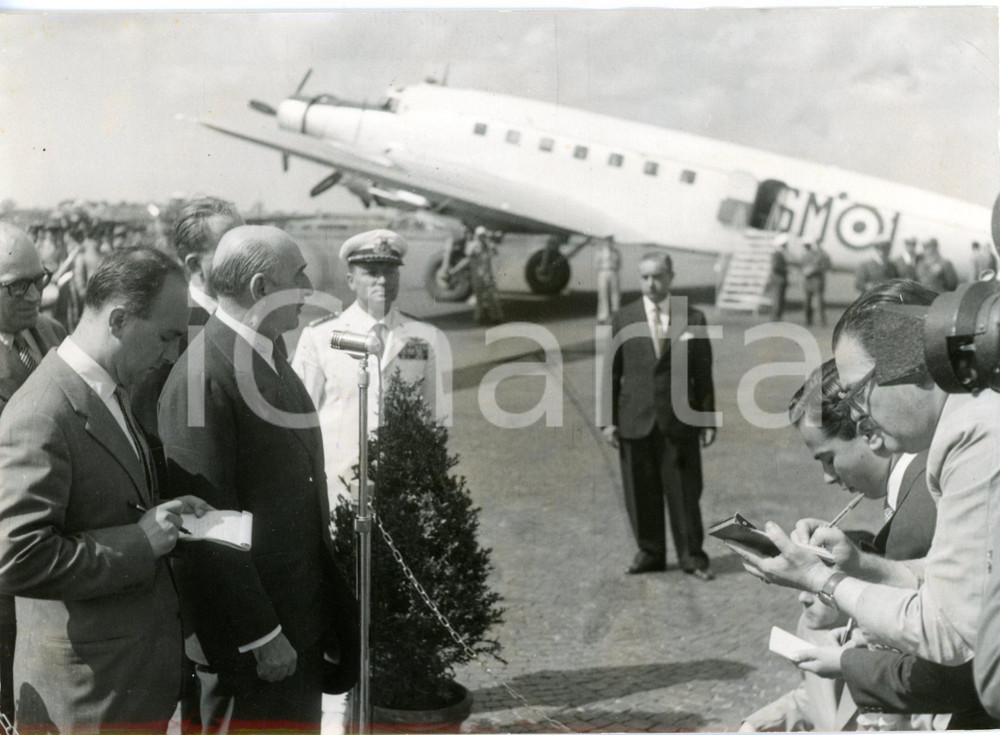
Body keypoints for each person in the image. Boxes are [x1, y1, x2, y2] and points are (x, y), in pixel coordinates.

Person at [730, 279, 1000, 668]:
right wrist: (860, 565)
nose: (858, 415)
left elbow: (948, 630)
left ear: (908, 368)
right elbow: (962, 583)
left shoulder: (970, 432)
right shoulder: (968, 419)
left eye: (856, 392)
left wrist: (821, 581)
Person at [158, 225, 359, 733]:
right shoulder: (204, 375)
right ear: (261, 289)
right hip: (252, 650)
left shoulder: (268, 353)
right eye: (299, 278)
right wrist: (261, 634)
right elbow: (207, 525)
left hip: (294, 631)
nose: (309, 290)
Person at [0, 246, 210, 732]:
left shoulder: (106, 390)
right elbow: (15, 557)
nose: (171, 353)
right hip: (87, 703)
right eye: (165, 336)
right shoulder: (40, 413)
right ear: (118, 320)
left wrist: (163, 514)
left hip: (123, 687)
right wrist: (139, 543)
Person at [293, 229, 440, 503]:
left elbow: (431, 419)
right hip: (336, 482)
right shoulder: (321, 336)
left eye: (390, 271)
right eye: (372, 272)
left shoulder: (423, 336)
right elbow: (300, 420)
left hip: (400, 485)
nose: (382, 280)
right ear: (351, 280)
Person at [601, 251, 717, 579]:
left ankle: (692, 556)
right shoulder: (623, 318)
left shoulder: (692, 318)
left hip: (678, 420)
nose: (652, 283)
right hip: (634, 419)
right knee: (640, 491)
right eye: (645, 277)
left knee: (684, 491)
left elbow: (703, 371)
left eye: (658, 276)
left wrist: (707, 418)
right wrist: (608, 419)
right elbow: (612, 371)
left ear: (671, 277)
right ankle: (650, 552)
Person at [0, 224, 67, 724]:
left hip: (50, 531)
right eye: (15, 286)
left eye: (38, 280)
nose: (32, 295)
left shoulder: (50, 333)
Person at [129, 196, 243, 437]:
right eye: (233, 251)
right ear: (194, 265)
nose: (249, 258)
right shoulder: (176, 333)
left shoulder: (258, 322)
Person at [739, 592, 853, 732]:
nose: (803, 597)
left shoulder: (884, 643)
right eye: (801, 586)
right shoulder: (814, 627)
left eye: (819, 588)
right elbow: (817, 700)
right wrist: (756, 724)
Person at [466, 226, 504, 325]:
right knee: (479, 298)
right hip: (478, 276)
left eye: (483, 236)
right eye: (480, 236)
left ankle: (496, 317)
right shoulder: (473, 245)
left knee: (492, 297)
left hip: (487, 275)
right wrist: (476, 245)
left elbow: (495, 252)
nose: (482, 238)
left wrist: (489, 244)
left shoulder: (487, 246)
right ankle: (479, 318)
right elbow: (468, 253)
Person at [800, 242, 830, 327]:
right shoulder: (819, 255)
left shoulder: (812, 256)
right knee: (811, 301)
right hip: (813, 280)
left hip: (813, 280)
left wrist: (811, 269)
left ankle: (815, 320)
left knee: (815, 301)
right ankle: (814, 320)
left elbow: (823, 266)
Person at [595, 240, 622, 324]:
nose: (608, 243)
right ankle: (603, 315)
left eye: (610, 241)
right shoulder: (599, 252)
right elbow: (596, 263)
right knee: (603, 293)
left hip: (613, 271)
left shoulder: (616, 252)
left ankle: (616, 314)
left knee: (615, 293)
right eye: (607, 240)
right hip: (603, 272)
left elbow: (619, 263)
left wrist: (614, 269)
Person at [767, 240, 788, 321]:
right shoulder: (777, 254)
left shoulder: (779, 254)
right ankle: (775, 316)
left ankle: (777, 316)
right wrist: (785, 269)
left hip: (780, 279)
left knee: (779, 298)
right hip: (778, 279)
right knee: (778, 298)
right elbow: (776, 267)